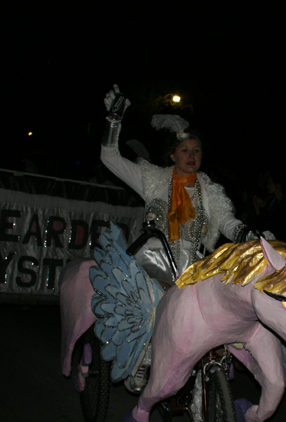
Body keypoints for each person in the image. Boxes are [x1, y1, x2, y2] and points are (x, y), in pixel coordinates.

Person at [99, 85, 251, 282]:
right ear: (172, 155)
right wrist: (114, 120)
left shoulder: (210, 192)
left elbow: (227, 221)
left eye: (196, 150)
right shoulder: (152, 179)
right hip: (154, 262)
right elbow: (109, 157)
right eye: (185, 150)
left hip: (193, 268)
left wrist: (251, 237)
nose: (191, 155)